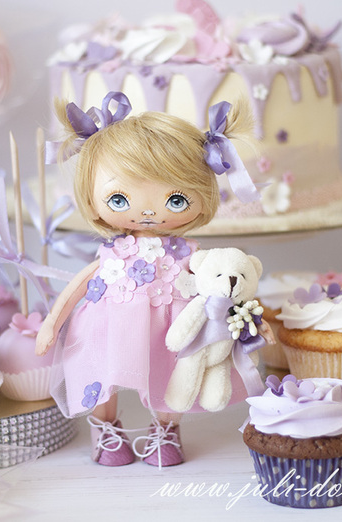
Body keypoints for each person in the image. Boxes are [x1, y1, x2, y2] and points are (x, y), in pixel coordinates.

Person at [36, 91, 256, 467]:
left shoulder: (190, 255)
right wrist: (52, 324)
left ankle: (165, 431)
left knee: (172, 374)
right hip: (107, 325)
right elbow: (80, 284)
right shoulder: (113, 252)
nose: (150, 213)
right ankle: (105, 429)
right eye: (119, 199)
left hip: (170, 328)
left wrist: (245, 320)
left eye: (176, 200)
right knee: (101, 374)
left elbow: (217, 287)